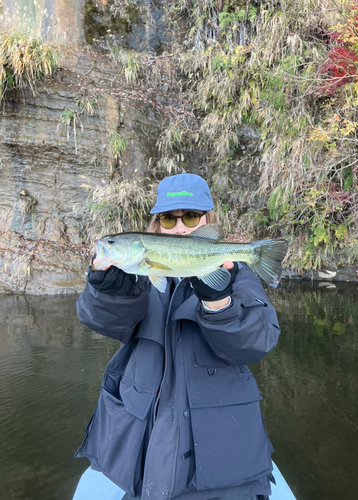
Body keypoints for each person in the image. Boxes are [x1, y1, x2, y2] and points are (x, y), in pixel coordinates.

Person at [72, 172, 281, 500]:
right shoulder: (134, 277)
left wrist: (218, 301)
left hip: (219, 447)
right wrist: (109, 292)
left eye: (192, 216)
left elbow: (259, 342)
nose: (181, 227)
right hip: (145, 442)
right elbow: (102, 322)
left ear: (207, 220)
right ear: (155, 225)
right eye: (169, 218)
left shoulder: (235, 273)